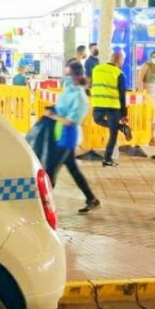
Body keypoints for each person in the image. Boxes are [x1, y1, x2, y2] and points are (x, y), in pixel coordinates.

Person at [45, 62, 100, 214]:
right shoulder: (69, 88)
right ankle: (91, 198)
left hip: (68, 136)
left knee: (51, 169)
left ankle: (44, 203)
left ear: (76, 75)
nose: (65, 77)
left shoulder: (80, 97)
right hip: (59, 132)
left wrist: (53, 115)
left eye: (68, 74)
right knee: (73, 169)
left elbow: (71, 121)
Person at [90, 50, 130, 168]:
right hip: (113, 106)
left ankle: (107, 159)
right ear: (119, 61)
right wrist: (124, 113)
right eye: (122, 60)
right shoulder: (119, 73)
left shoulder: (96, 69)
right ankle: (107, 158)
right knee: (113, 133)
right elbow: (122, 94)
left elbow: (91, 83)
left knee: (97, 120)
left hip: (98, 104)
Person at [138, 50, 155, 144]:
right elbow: (140, 80)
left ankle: (152, 135)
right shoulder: (146, 66)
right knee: (151, 115)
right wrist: (142, 94)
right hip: (148, 93)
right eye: (154, 56)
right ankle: (149, 137)